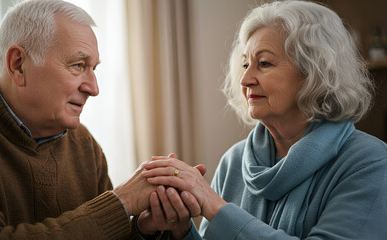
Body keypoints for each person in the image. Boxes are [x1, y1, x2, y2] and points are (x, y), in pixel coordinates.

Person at [141, 1, 387, 239]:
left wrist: (215, 206)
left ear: (314, 71)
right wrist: (181, 230)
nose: (245, 79)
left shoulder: (370, 162)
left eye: (264, 63)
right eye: (246, 64)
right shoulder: (234, 161)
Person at [0, 0, 182, 239]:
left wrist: (143, 229)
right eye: (78, 65)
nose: (93, 88)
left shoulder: (84, 145)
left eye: (94, 69)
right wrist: (121, 202)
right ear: (18, 65)